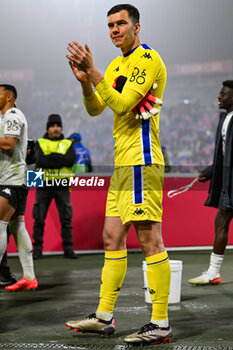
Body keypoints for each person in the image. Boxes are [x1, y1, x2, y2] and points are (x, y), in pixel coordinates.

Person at [65, 4, 172, 345]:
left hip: (142, 162)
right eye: (110, 24)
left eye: (121, 23)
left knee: (148, 239)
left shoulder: (147, 59)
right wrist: (86, 82)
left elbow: (124, 104)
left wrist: (93, 70)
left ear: (137, 27)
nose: (114, 29)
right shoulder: (114, 65)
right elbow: (97, 107)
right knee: (112, 236)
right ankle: (104, 317)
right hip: (121, 166)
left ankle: (160, 323)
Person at [188, 80, 233, 285]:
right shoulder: (225, 118)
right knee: (221, 220)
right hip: (227, 182)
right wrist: (210, 171)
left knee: (221, 220)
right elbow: (224, 155)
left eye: (223, 93)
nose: (218, 97)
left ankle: (213, 272)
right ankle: (213, 272)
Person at [0, 84, 38, 291]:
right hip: (13, 178)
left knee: (0, 224)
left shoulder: (13, 114)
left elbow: (8, 144)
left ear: (9, 97)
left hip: (12, 179)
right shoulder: (6, 117)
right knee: (18, 226)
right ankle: (30, 276)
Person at [32, 114, 77, 259]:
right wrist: (59, 159)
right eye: (52, 126)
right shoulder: (39, 142)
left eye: (58, 126)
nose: (55, 129)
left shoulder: (69, 143)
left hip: (62, 184)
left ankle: (68, 250)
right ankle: (37, 250)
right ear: (48, 128)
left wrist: (50, 156)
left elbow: (70, 161)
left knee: (66, 219)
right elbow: (39, 161)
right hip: (42, 184)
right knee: (38, 219)